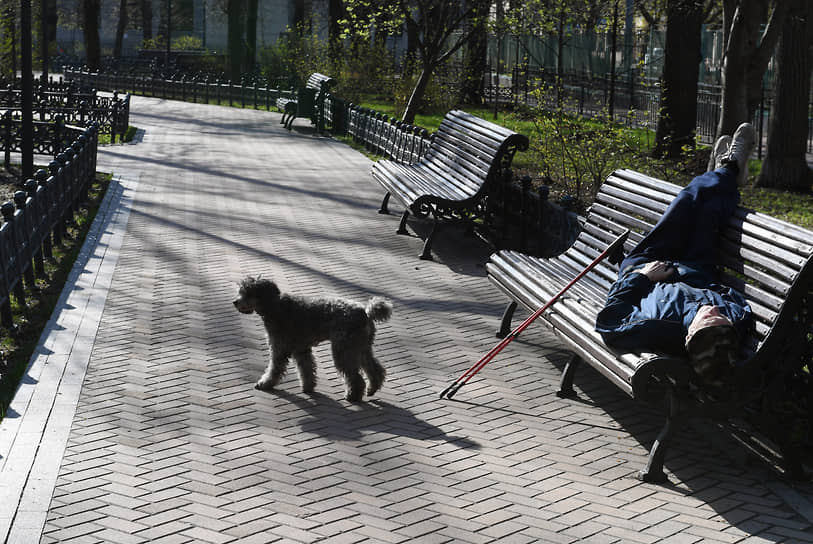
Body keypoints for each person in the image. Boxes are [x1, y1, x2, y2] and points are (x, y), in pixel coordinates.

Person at [595, 122, 757, 382]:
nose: (715, 312)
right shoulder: (735, 320)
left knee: (686, 201)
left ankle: (728, 168)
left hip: (649, 263)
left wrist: (644, 277)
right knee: (710, 212)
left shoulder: (652, 327)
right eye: (722, 320)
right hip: (698, 266)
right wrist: (709, 285)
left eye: (709, 320)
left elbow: (608, 321)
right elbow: (732, 299)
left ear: (690, 334)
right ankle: (725, 171)